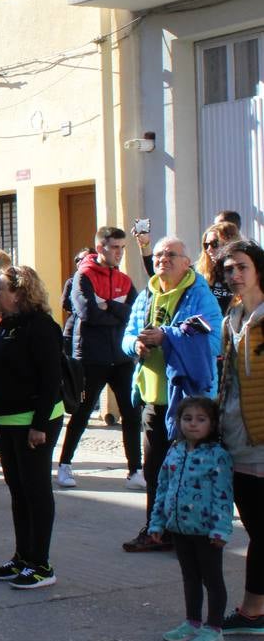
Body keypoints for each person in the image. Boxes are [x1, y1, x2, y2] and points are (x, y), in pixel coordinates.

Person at [121, 236, 222, 553]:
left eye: (171, 254)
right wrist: (135, 346)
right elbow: (125, 336)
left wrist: (167, 336)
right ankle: (156, 530)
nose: (162, 259)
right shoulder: (146, 295)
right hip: (153, 397)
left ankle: (193, 532)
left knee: (193, 470)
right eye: (159, 254)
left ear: (186, 261)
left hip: (191, 401)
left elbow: (214, 341)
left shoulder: (199, 295)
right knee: (154, 470)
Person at [0, 265, 64, 589]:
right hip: (6, 421)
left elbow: (50, 379)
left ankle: (41, 565)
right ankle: (22, 557)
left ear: (19, 293)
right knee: (18, 491)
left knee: (36, 490)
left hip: (33, 423)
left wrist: (39, 425)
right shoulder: (9, 325)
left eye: (1, 287)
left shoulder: (42, 326)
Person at [57, 227, 142, 490]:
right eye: (114, 247)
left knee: (131, 414)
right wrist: (114, 311)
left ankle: (135, 471)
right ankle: (64, 465)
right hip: (91, 358)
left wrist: (109, 304)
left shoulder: (125, 280)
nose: (119, 252)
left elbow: (135, 313)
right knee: (82, 413)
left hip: (122, 358)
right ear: (100, 248)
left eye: (122, 247)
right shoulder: (83, 276)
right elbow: (87, 313)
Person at [149, 396, 234, 641]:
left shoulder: (218, 456)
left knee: (212, 580)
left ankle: (215, 628)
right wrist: (156, 523)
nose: (193, 425)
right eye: (187, 419)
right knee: (190, 578)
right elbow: (163, 488)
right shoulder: (174, 451)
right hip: (179, 529)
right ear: (178, 421)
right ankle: (193, 622)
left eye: (201, 419)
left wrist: (221, 529)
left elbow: (224, 496)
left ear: (213, 424)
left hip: (207, 532)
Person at [217, 240, 264, 635]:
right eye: (229, 269)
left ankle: (252, 610)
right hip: (237, 436)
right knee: (255, 527)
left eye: (242, 267)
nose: (234, 275)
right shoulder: (231, 315)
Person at [197, 220, 242, 316]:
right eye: (206, 245)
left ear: (230, 243)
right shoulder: (200, 272)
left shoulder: (244, 271)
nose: (209, 249)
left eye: (214, 244)